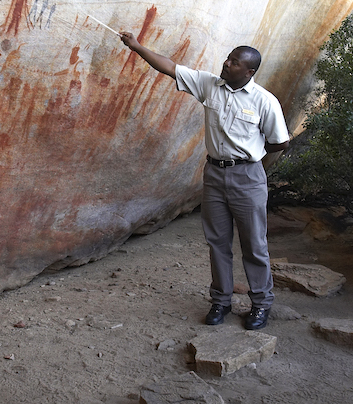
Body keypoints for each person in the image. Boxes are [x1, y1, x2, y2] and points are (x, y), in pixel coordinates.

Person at [120, 32, 290, 330]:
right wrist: (136, 47)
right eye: (228, 58)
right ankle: (221, 301)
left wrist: (251, 158)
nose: (226, 64)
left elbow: (280, 143)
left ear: (249, 72)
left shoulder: (265, 102)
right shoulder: (210, 85)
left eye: (235, 62)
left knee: (254, 244)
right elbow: (170, 67)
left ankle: (261, 304)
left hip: (248, 176)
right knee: (217, 242)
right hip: (214, 175)